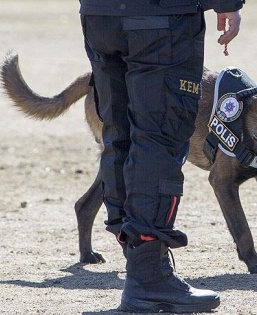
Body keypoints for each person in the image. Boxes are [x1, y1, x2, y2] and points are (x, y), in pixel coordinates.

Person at [78, 0, 244, 313]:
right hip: (161, 18)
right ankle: (148, 274)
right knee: (158, 140)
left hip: (100, 16)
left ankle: (139, 262)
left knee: (120, 135)